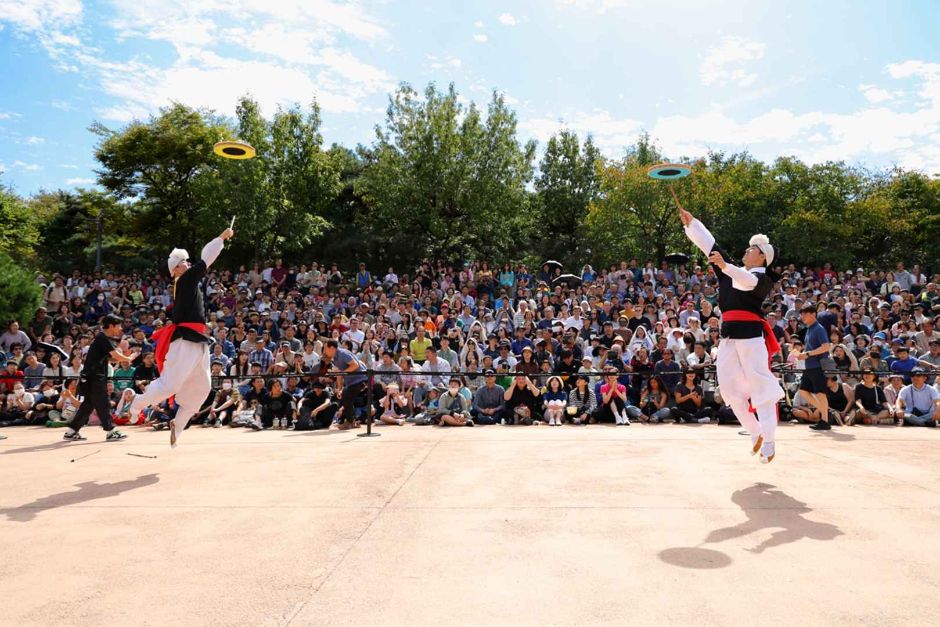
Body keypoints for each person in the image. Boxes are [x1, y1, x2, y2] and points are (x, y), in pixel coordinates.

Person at [679, 203, 783, 463]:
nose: (747, 251)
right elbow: (710, 245)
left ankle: (769, 438)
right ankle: (755, 431)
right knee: (727, 390)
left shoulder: (762, 278)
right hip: (728, 337)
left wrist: (726, 266)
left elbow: (747, 282)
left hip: (751, 336)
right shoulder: (729, 272)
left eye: (752, 249)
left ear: (762, 257)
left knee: (762, 387)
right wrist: (692, 223)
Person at [130, 226, 234, 446]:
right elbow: (206, 260)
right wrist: (222, 237)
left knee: (203, 387)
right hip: (186, 340)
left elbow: (203, 262)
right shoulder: (185, 280)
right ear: (176, 269)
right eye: (185, 262)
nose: (189, 264)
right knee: (170, 385)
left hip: (196, 340)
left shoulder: (185, 282)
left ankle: (178, 424)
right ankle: (137, 403)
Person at [62, 314, 138, 442]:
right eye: (118, 325)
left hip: (92, 377)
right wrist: (129, 358)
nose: (120, 328)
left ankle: (71, 431)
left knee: (88, 405)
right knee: (104, 403)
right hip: (95, 378)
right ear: (112, 326)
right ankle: (111, 431)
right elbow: (116, 356)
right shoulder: (102, 338)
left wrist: (124, 356)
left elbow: (110, 357)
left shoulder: (103, 338)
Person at [793, 304, 833, 432]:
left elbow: (826, 346)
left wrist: (808, 354)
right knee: (804, 391)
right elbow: (810, 348)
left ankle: (825, 420)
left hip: (817, 366)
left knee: (820, 393)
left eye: (805, 314)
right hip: (809, 366)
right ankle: (825, 412)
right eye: (802, 315)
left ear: (813, 314)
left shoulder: (819, 328)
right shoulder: (809, 329)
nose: (803, 317)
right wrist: (801, 354)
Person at [319, 338, 368, 429]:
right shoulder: (335, 358)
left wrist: (342, 373)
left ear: (332, 348)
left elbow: (355, 365)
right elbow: (339, 374)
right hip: (351, 382)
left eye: (326, 348)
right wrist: (340, 389)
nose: (324, 351)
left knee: (346, 396)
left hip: (360, 379)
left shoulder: (343, 353)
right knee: (345, 396)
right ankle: (353, 421)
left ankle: (350, 421)